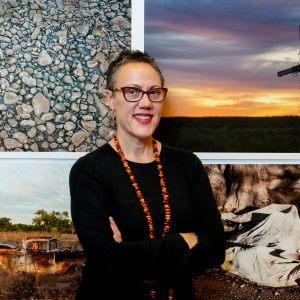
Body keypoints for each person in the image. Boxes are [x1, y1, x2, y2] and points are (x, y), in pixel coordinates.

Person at [69, 49, 225, 300]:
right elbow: (107, 260)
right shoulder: (89, 171)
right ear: (109, 98)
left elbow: (215, 249)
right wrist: (184, 240)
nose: (145, 102)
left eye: (154, 92)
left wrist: (129, 252)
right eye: (132, 91)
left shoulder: (187, 164)